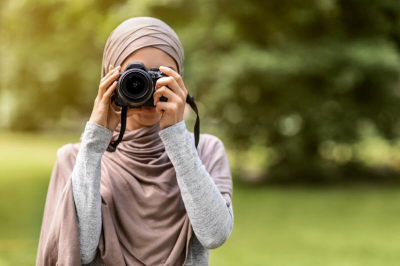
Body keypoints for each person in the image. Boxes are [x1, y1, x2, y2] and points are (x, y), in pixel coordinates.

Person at [36, 17, 233, 266]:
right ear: (109, 79)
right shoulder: (75, 159)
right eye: (134, 76)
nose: (148, 89)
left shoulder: (206, 150)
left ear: (180, 81)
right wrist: (95, 139)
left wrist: (176, 135)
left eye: (159, 76)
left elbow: (214, 234)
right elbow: (81, 250)